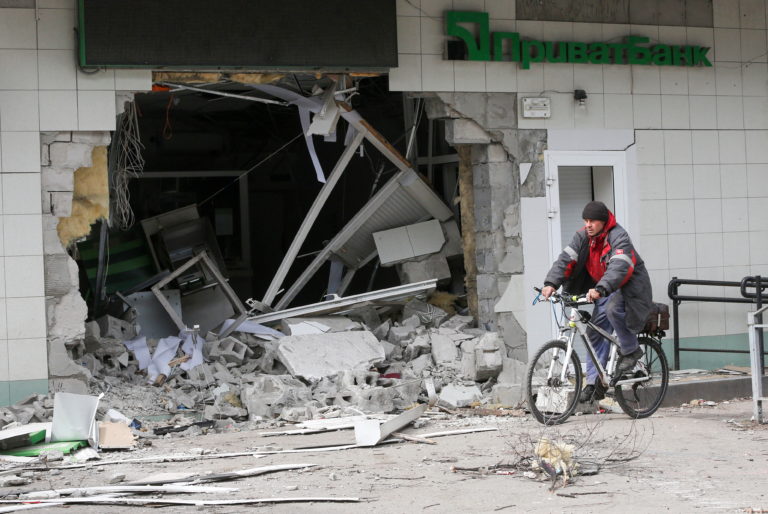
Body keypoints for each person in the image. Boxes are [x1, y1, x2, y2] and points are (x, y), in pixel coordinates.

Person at [540, 201, 653, 403]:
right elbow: (565, 260)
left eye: (592, 221)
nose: (588, 224)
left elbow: (619, 267)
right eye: (586, 221)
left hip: (627, 288)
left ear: (603, 222)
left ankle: (631, 350)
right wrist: (551, 283)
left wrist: (601, 288)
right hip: (603, 288)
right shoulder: (583, 236)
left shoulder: (619, 237)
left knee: (612, 309)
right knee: (594, 335)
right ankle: (594, 384)